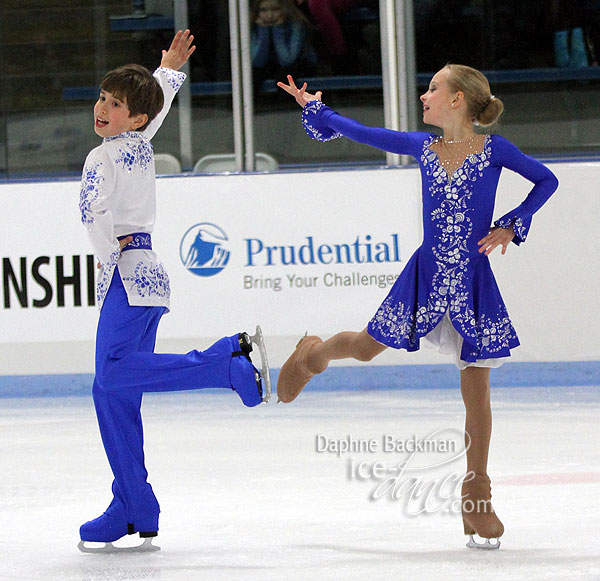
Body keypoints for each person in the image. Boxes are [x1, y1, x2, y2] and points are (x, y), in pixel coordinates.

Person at [277, 65, 559, 549]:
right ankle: (312, 355)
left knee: (477, 383)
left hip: (472, 279)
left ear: (458, 100)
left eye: (433, 88)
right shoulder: (423, 148)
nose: (424, 95)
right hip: (426, 275)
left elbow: (545, 181)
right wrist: (316, 110)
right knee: (366, 349)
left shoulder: (496, 151)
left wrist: (512, 224)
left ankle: (477, 492)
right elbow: (364, 132)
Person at [78, 30, 270, 553]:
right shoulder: (137, 143)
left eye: (115, 104)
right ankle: (133, 504)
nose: (102, 108)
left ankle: (220, 364)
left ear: (132, 118)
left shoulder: (104, 157)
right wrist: (166, 73)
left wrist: (105, 256)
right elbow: (154, 113)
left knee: (111, 376)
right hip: (150, 277)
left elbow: (92, 213)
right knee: (114, 393)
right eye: (102, 98)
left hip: (125, 271)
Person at [251, 0, 316, 87]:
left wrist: (277, 29)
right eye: (263, 10)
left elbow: (287, 60)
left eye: (275, 9)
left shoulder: (296, 24)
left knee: (286, 75)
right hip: (270, 65)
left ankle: (286, 101)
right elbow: (257, 62)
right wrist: (263, 31)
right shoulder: (253, 27)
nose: (270, 15)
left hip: (298, 64)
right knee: (253, 74)